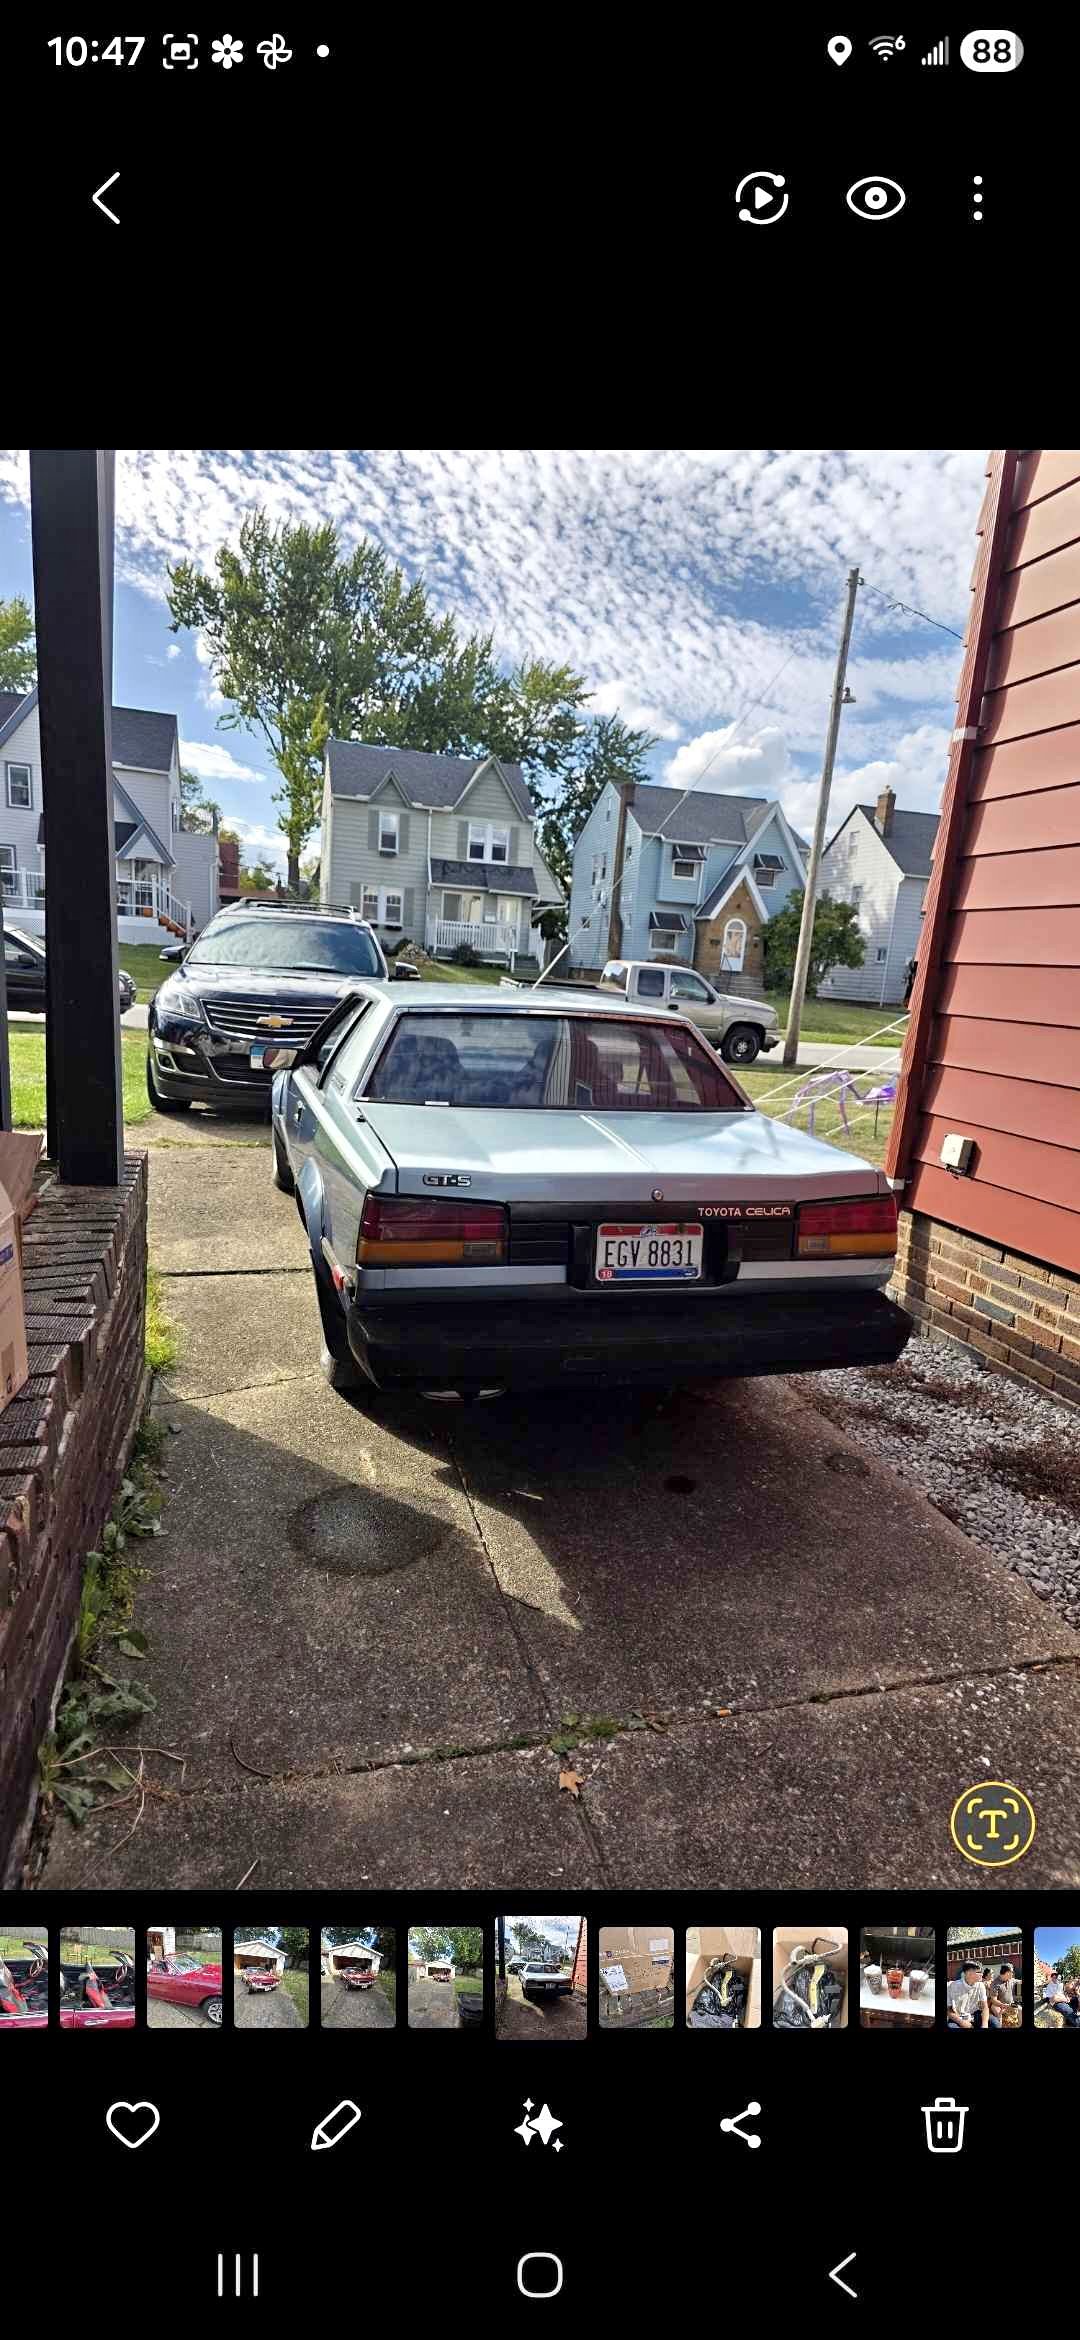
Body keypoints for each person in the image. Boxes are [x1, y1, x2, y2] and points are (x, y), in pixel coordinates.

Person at [947, 1961, 988, 2029]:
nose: (982, 1974)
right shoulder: (953, 1986)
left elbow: (985, 2007)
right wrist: (961, 2022)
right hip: (958, 2016)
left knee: (994, 2023)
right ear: (968, 1973)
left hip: (975, 2015)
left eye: (981, 1972)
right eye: (978, 1972)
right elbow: (949, 2010)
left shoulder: (981, 1985)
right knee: (951, 2027)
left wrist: (985, 2024)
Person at [986, 1964, 1017, 2029]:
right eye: (1012, 1972)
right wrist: (1003, 2005)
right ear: (1007, 1973)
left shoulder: (1011, 1980)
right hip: (998, 2005)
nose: (1013, 1973)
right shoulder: (995, 1983)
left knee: (1019, 2009)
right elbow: (993, 2000)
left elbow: (1019, 1982)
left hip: (1011, 2004)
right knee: (999, 2015)